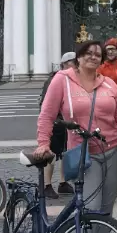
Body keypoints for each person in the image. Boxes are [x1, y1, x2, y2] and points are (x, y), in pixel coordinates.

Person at [34, 40, 117, 233]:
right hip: (84, 153)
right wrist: (43, 143)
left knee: (105, 211)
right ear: (78, 57)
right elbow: (46, 114)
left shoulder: (108, 83)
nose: (93, 57)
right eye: (88, 53)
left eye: (98, 55)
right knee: (89, 209)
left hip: (110, 151)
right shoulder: (62, 80)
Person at [39, 51, 77, 199]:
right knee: (52, 154)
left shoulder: (72, 79)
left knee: (64, 153)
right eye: (72, 63)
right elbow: (47, 105)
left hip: (67, 122)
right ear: (64, 65)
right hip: (56, 121)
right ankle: (46, 185)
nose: (74, 65)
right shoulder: (54, 80)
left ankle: (62, 183)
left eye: (75, 62)